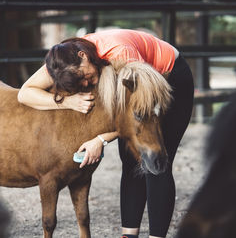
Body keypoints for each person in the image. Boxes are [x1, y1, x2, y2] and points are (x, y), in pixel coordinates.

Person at [17, 29, 194, 238]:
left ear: (83, 56)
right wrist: (68, 101)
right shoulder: (64, 61)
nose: (85, 83)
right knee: (130, 161)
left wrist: (101, 139)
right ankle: (128, 235)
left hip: (170, 77)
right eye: (77, 82)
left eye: (82, 76)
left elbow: (140, 109)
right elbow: (25, 93)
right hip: (135, 87)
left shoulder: (121, 53)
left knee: (156, 162)